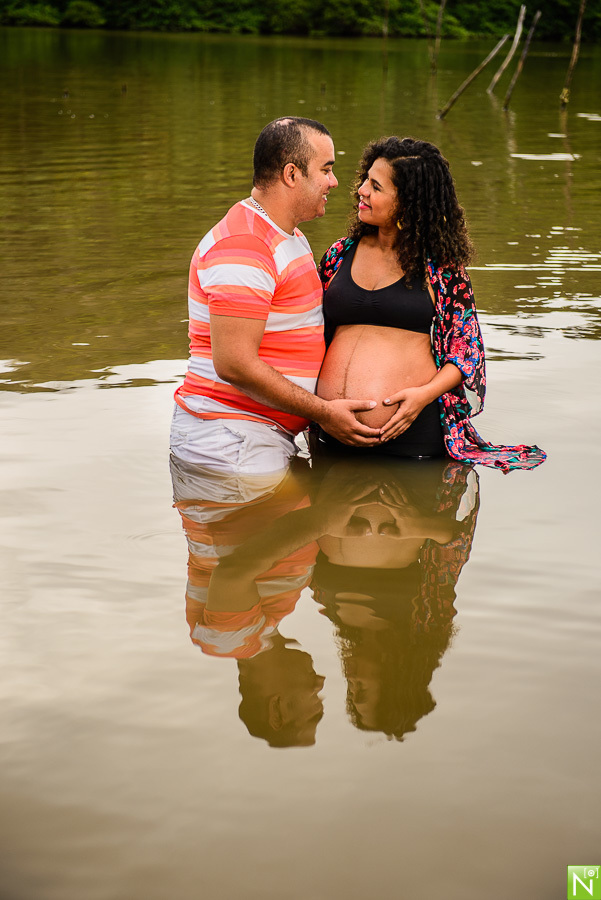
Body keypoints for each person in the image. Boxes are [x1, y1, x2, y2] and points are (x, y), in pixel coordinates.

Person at [315, 136, 546, 473]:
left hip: (413, 438)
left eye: (376, 186)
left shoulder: (441, 269)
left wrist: (420, 398)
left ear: (408, 201)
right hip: (334, 437)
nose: (361, 190)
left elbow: (466, 351)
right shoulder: (339, 255)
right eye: (365, 179)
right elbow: (305, 333)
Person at [170, 117, 381, 477]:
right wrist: (324, 412)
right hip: (229, 440)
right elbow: (234, 363)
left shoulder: (286, 235)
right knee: (294, 530)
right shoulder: (245, 246)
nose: (333, 181)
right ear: (291, 174)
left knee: (307, 529)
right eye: (326, 169)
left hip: (254, 436)